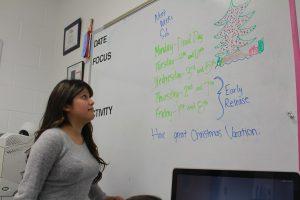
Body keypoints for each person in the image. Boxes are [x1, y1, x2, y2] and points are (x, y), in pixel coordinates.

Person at [14, 79, 124, 200]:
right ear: (66, 105)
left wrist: (104, 198)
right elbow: (27, 193)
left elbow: (84, 180)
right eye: (84, 97)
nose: (92, 101)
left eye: (90, 97)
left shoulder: (84, 139)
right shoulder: (52, 138)